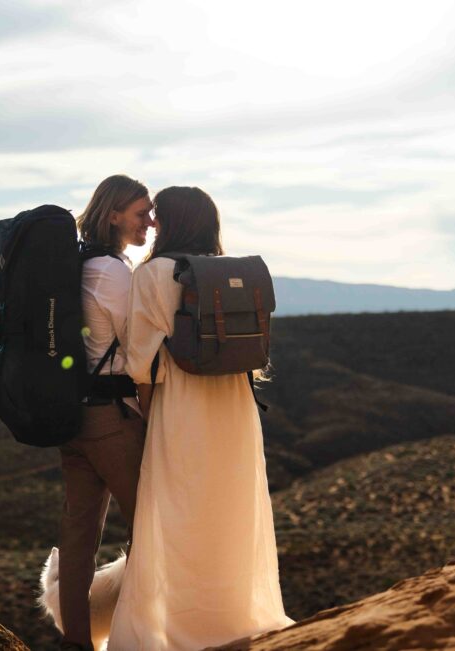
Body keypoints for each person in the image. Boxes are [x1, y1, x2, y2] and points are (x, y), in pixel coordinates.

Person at [107, 186, 294, 650]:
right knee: (231, 508)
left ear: (171, 222)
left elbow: (140, 361)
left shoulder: (153, 274)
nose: (152, 224)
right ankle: (234, 615)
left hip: (182, 406)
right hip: (235, 404)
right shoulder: (232, 272)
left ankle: (174, 629)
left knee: (177, 513)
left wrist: (148, 417)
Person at [58, 174, 155, 651]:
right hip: (112, 420)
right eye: (142, 213)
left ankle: (77, 642)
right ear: (114, 214)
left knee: (78, 538)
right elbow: (136, 348)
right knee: (150, 527)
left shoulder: (78, 264)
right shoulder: (113, 272)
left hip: (73, 416)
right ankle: (136, 637)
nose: (151, 222)